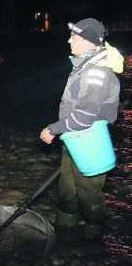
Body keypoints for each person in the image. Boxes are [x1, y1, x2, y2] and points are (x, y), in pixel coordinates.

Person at [40, 18, 123, 241]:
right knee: (67, 188)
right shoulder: (84, 65)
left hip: (90, 142)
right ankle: (65, 233)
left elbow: (85, 117)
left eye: (74, 36)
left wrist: (53, 129)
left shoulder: (96, 72)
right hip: (75, 139)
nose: (69, 40)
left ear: (88, 41)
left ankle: (94, 238)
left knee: (89, 193)